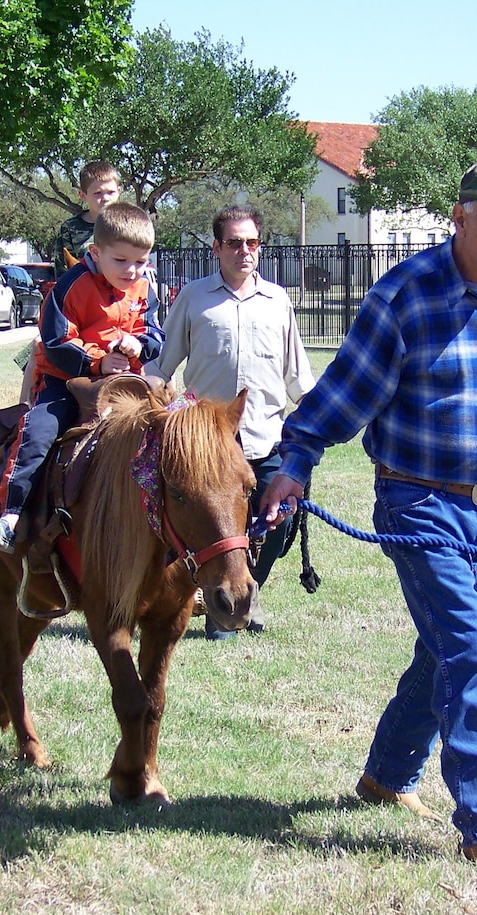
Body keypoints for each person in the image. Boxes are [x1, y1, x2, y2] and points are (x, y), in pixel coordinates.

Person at [260, 158, 477, 874]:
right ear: (460, 216)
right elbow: (342, 394)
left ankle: (385, 775)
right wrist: (293, 465)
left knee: (442, 650)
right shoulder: (403, 296)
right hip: (418, 502)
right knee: (468, 652)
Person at [142, 206, 314, 639]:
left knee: (281, 523)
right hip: (211, 448)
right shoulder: (194, 298)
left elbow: (298, 376)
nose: (244, 251)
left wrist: (317, 424)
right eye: (234, 243)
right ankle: (220, 603)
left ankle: (246, 594)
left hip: (265, 438)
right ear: (216, 247)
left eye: (252, 242)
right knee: (213, 527)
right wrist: (139, 392)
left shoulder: (278, 301)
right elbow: (164, 363)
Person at [0, 203, 163, 553]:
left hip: (127, 382)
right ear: (95, 251)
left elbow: (154, 334)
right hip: (66, 380)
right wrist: (98, 361)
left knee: (173, 428)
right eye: (120, 261)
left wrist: (140, 344)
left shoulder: (144, 288)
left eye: (140, 261)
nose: (132, 270)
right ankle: (10, 517)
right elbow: (57, 342)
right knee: (40, 431)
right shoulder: (70, 287)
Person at [53, 161, 122, 267]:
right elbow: (63, 272)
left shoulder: (128, 224)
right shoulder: (69, 229)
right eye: (98, 193)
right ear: (83, 195)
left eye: (111, 192)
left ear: (119, 192)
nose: (105, 198)